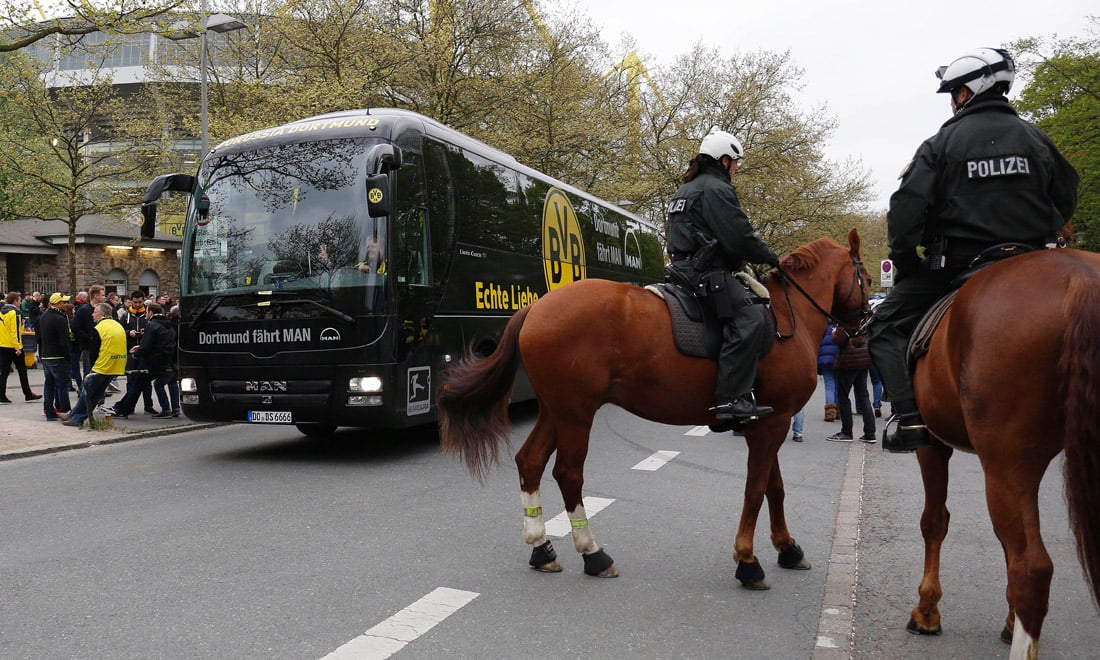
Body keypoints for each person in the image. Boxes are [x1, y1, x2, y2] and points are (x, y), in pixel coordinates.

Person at [868, 47, 1079, 452]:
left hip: (959, 265)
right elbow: (1066, 194)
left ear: (966, 93)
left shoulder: (942, 143)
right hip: (1036, 259)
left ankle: (911, 421)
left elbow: (906, 210)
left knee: (884, 327)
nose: (951, 101)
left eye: (952, 93)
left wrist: (907, 259)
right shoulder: (1037, 139)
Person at [665, 128, 780, 422]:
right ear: (724, 159)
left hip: (680, 268)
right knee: (751, 319)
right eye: (736, 163)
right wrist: (769, 257)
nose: (737, 169)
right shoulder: (716, 189)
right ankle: (731, 399)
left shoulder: (685, 189)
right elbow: (738, 235)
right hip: (705, 272)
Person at [61, 303, 127, 428]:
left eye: (95, 312)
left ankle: (77, 418)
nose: (92, 314)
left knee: (87, 393)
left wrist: (93, 366)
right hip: (116, 365)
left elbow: (94, 350)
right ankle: (73, 414)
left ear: (102, 314)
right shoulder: (118, 325)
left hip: (102, 366)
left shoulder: (100, 327)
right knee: (96, 394)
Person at [108, 303, 176, 419]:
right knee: (142, 385)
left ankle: (122, 410)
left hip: (151, 362)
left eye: (147, 312)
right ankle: (120, 407)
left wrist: (136, 354)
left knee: (136, 385)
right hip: (165, 361)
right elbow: (160, 343)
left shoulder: (152, 325)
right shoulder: (169, 325)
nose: (145, 316)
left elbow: (146, 346)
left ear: (151, 313)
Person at [828, 326, 876, 443]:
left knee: (843, 397)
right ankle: (870, 433)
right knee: (863, 397)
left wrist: (834, 333)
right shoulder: (863, 322)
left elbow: (838, 339)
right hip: (863, 359)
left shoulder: (848, 322)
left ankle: (846, 432)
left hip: (848, 361)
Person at [117, 290, 156, 414]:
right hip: (130, 351)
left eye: (140, 302)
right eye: (135, 302)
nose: (137, 305)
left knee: (146, 381)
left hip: (145, 352)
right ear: (131, 301)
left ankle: (148, 406)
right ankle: (130, 406)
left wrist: (146, 333)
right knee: (131, 380)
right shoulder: (126, 315)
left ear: (143, 300)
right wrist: (129, 333)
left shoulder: (148, 314)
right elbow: (120, 330)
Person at [37, 293, 74, 421]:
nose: (66, 304)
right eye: (64, 302)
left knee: (49, 385)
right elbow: (64, 341)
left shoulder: (44, 316)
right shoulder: (60, 318)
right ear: (58, 304)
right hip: (58, 356)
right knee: (63, 385)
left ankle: (49, 412)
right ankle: (65, 411)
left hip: (46, 355)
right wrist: (68, 356)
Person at [1, 291, 42, 404]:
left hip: (3, 344)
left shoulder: (1, 311)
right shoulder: (15, 313)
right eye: (19, 300)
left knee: (4, 371)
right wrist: (18, 347)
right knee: (22, 371)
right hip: (14, 346)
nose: (20, 302)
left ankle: (1, 394)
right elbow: (15, 331)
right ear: (15, 301)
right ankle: (27, 394)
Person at [817, 322, 839, 422]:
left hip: (824, 360)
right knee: (838, 385)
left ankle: (830, 411)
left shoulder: (822, 327)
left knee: (829, 385)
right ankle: (838, 410)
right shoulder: (840, 327)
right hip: (837, 359)